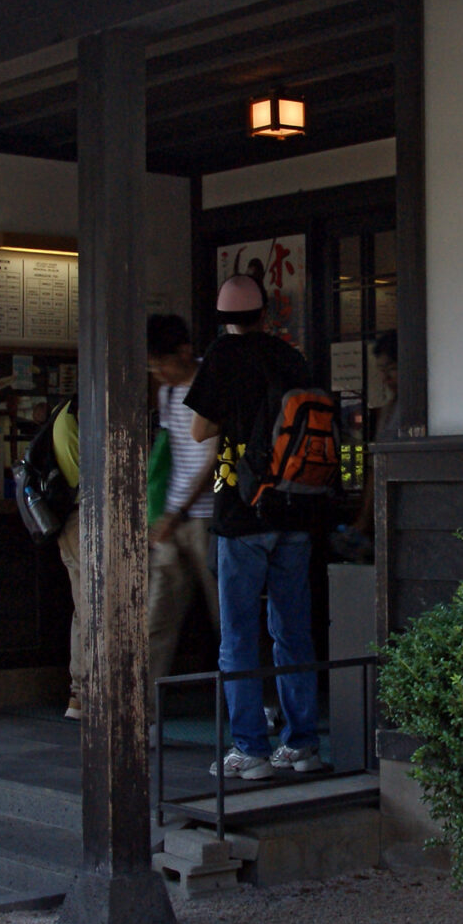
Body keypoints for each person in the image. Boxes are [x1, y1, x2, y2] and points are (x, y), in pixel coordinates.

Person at [187, 272, 327, 781]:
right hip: (298, 507)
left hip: (243, 511)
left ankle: (249, 748)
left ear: (224, 322)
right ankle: (303, 743)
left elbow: (199, 428)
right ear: (264, 314)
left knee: (239, 633)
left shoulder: (223, 357)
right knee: (292, 629)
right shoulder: (291, 356)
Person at [146, 314, 219, 688]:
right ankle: (143, 715)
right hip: (174, 520)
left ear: (185, 351)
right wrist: (164, 512)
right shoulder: (168, 392)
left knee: (228, 619)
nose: (158, 371)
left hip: (210, 519)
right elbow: (170, 456)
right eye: (152, 365)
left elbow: (215, 459)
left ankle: (261, 705)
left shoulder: (213, 380)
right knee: (156, 620)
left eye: (162, 362)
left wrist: (178, 511)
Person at [50, 396, 82, 720]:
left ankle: (79, 694)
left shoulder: (61, 413)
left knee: (82, 608)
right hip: (82, 517)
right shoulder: (81, 412)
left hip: (67, 520)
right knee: (90, 608)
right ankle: (84, 692)